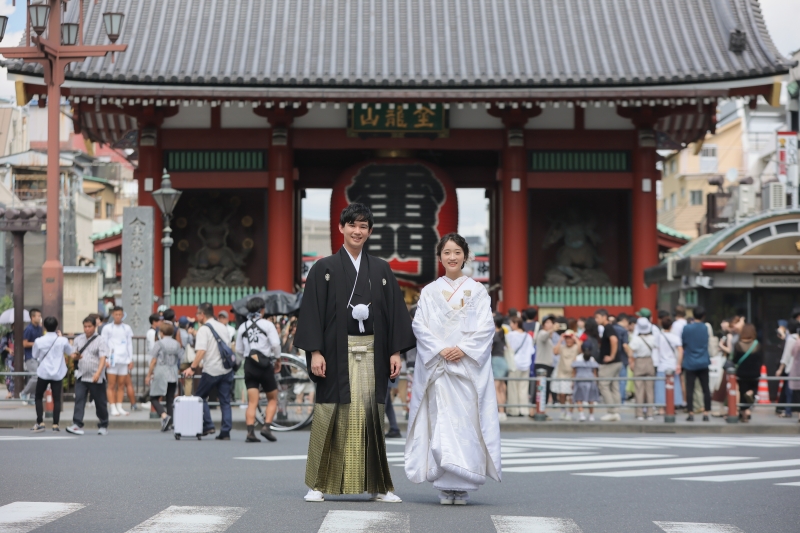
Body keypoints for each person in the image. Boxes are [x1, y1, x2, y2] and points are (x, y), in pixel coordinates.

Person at [295, 203, 415, 503]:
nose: (357, 230)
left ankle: (378, 485)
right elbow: (311, 313)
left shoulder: (381, 269)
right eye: (352, 225)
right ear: (341, 228)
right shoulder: (323, 268)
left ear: (369, 232)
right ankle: (318, 484)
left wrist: (395, 351)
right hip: (335, 353)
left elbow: (393, 314)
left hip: (373, 351)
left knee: (372, 416)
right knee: (329, 411)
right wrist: (315, 351)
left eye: (363, 226)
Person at [405, 233, 501, 505]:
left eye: (457, 252)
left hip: (465, 368)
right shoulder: (429, 291)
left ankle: (464, 484)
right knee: (441, 422)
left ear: (465, 255)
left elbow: (486, 328)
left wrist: (465, 349)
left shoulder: (478, 290)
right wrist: (440, 348)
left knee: (466, 424)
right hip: (440, 367)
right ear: (440, 257)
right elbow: (419, 326)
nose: (452, 257)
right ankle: (444, 484)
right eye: (447, 252)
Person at [182, 303, 235, 440]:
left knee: (200, 396)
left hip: (211, 369)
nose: (196, 316)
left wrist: (192, 368)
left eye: (197, 314)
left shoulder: (203, 330)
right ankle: (225, 431)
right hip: (226, 369)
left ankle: (208, 425)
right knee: (225, 401)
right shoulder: (223, 327)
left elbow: (201, 351)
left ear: (202, 314)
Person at [235, 296, 281, 443]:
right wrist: (278, 359)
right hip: (264, 364)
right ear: (262, 310)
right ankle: (266, 427)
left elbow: (238, 350)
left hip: (249, 364)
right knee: (272, 398)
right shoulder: (267, 325)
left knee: (252, 402)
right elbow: (275, 344)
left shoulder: (242, 327)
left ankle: (250, 432)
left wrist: (247, 358)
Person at [66, 316, 109, 436]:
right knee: (79, 399)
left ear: (95, 327)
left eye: (89, 326)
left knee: (100, 402)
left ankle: (103, 424)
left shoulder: (101, 340)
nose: (87, 329)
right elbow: (73, 354)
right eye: (85, 326)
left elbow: (103, 358)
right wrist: (76, 356)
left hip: (96, 376)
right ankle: (77, 423)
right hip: (82, 374)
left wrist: (98, 373)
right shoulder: (79, 339)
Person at [30, 317, 73, 432]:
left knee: (38, 397)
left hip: (43, 372)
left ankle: (40, 422)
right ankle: (55, 424)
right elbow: (70, 352)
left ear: (44, 326)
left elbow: (34, 355)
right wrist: (61, 336)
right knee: (57, 399)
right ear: (56, 326)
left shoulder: (39, 340)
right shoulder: (62, 340)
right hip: (57, 373)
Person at [146, 322, 182, 432]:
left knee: (153, 397)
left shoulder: (159, 343)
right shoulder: (177, 344)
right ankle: (170, 423)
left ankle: (164, 416)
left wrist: (149, 374)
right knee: (170, 399)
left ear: (161, 332)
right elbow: (180, 358)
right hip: (173, 371)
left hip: (161, 371)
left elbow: (153, 360)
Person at [101, 306, 137, 416]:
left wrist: (130, 359)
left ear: (122, 315)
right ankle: (112, 406)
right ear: (113, 315)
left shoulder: (126, 328)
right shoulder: (107, 328)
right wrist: (105, 358)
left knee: (121, 385)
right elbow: (103, 344)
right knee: (111, 384)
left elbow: (129, 344)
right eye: (116, 314)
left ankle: (119, 406)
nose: (118, 316)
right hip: (112, 360)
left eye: (119, 314)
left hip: (124, 360)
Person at [681, 306, 712, 422]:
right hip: (703, 361)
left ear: (693, 315)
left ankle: (691, 413)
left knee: (690, 388)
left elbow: (684, 343)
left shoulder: (687, 328)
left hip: (690, 362)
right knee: (706, 389)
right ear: (703, 316)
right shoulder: (706, 327)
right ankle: (706, 413)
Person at [731, 324, 762, 423]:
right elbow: (760, 359)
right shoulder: (757, 344)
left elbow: (734, 360)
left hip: (742, 373)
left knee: (742, 392)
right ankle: (751, 395)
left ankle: (744, 413)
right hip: (755, 373)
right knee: (753, 390)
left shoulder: (738, 345)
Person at [629, 317, 658, 420]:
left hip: (639, 361)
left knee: (639, 389)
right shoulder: (653, 338)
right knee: (650, 390)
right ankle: (650, 413)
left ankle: (639, 413)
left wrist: (631, 362)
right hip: (649, 361)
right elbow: (657, 347)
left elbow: (630, 351)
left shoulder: (636, 339)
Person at [594, 309, 621, 421]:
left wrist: (611, 356)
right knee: (614, 386)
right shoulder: (609, 328)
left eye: (598, 317)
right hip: (617, 362)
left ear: (604, 317)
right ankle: (616, 411)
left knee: (603, 385)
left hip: (609, 363)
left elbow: (614, 340)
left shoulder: (608, 328)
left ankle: (612, 411)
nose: (596, 320)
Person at [655, 316, 684, 414]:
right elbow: (680, 351)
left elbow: (656, 351)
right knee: (674, 386)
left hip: (661, 365)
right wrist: (679, 364)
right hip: (672, 364)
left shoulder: (659, 336)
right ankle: (672, 407)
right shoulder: (675, 337)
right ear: (671, 326)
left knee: (660, 388)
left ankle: (661, 409)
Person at [506, 316, 533, 417]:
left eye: (512, 323)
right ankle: (524, 409)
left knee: (513, 387)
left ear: (516, 324)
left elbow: (508, 348)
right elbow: (531, 351)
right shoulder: (528, 336)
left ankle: (514, 410)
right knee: (523, 388)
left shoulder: (511, 335)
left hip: (514, 364)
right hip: (526, 364)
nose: (510, 325)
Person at [551, 330, 579, 420]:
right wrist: (560, 340)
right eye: (567, 338)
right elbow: (555, 352)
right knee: (562, 394)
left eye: (570, 338)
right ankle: (563, 410)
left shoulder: (576, 347)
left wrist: (575, 338)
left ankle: (570, 413)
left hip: (572, 374)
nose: (568, 340)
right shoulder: (562, 347)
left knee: (571, 395)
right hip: (562, 373)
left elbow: (581, 349)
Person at [572, 341, 600, 422]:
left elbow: (574, 372)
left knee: (579, 398)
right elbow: (594, 372)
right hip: (590, 380)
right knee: (591, 398)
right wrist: (596, 381)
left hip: (579, 380)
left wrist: (572, 382)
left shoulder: (577, 358)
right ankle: (591, 416)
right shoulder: (592, 359)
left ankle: (581, 415)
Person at [19, 308, 43, 403]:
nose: (40, 318)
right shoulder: (28, 329)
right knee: (36, 376)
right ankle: (24, 392)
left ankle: (32, 397)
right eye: (38, 316)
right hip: (30, 357)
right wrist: (37, 343)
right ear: (32, 317)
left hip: (38, 356)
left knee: (39, 377)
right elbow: (24, 344)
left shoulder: (40, 328)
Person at [533, 316, 556, 411]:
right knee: (541, 388)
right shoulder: (542, 333)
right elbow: (544, 336)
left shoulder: (549, 336)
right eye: (547, 323)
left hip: (547, 365)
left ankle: (541, 410)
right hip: (542, 364)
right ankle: (536, 411)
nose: (550, 325)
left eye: (551, 323)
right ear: (543, 325)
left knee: (544, 389)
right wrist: (552, 330)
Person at [491, 315, 508, 421]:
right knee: (502, 387)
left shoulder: (494, 335)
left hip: (496, 361)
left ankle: (501, 412)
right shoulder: (502, 333)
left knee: (496, 387)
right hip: (503, 360)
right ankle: (503, 411)